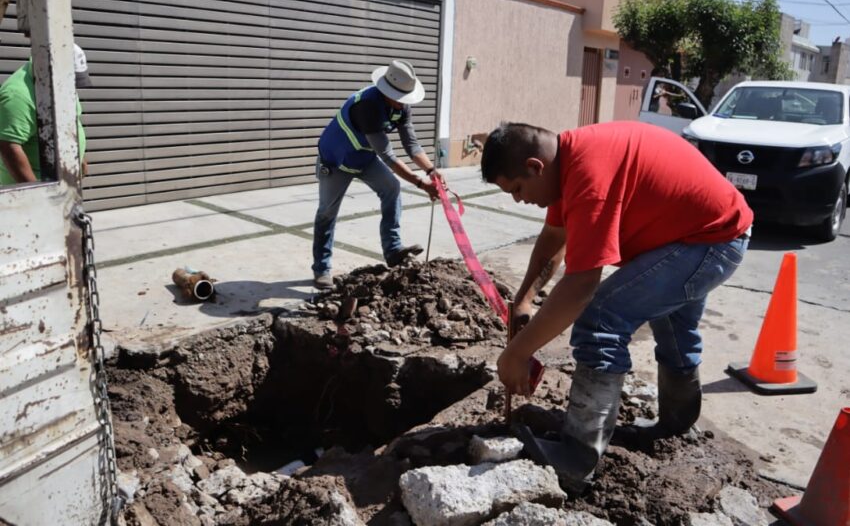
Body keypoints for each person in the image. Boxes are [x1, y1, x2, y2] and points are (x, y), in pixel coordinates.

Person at [480, 120, 753, 493]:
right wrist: (525, 298)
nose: (518, 200)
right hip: (697, 232)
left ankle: (576, 458)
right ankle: (674, 425)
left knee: (600, 320)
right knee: (672, 326)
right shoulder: (568, 163)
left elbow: (580, 287)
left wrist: (517, 352)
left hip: (712, 241)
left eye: (517, 189)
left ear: (534, 166)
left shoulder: (588, 178)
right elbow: (555, 237)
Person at [311, 59, 443, 289]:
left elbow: (412, 145)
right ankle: (321, 268)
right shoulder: (367, 106)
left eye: (406, 99)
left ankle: (392, 250)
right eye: (400, 99)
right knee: (327, 212)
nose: (403, 104)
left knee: (391, 187)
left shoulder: (401, 106)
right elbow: (389, 156)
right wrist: (422, 185)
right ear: (386, 91)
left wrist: (431, 170)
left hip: (363, 158)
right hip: (336, 161)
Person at [0, 43, 92, 184]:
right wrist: (38, 195)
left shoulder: (61, 85)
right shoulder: (18, 95)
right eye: (69, 80)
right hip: (26, 194)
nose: (71, 86)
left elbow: (72, 121)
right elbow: (9, 147)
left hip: (62, 184)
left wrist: (79, 156)